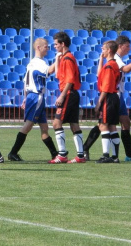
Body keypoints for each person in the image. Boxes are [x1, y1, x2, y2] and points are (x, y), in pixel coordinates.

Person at [83, 35, 131, 161]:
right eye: (127, 46)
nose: (129, 49)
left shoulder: (114, 60)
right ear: (120, 46)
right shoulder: (115, 60)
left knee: (114, 123)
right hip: (114, 94)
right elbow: (125, 69)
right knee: (105, 124)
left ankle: (120, 155)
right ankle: (90, 149)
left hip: (116, 95)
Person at [7, 38, 60, 161]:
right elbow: (50, 71)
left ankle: (55, 154)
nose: (48, 48)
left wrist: (25, 98)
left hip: (32, 96)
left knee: (44, 128)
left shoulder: (32, 63)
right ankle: (13, 153)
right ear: (38, 47)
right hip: (36, 96)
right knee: (28, 125)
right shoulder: (38, 63)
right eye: (46, 46)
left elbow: (25, 82)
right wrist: (58, 58)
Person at [49, 31, 85, 164]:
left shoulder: (68, 58)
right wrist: (57, 59)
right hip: (73, 93)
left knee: (56, 123)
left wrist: (62, 96)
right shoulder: (65, 58)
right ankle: (80, 156)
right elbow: (59, 75)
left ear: (62, 44)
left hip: (69, 93)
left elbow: (69, 80)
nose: (54, 46)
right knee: (74, 124)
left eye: (56, 44)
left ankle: (62, 154)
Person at [93, 40, 121, 163]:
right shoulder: (110, 64)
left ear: (109, 50)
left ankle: (106, 155)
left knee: (103, 125)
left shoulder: (110, 66)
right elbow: (100, 75)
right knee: (112, 126)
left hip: (108, 97)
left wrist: (99, 101)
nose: (102, 51)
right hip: (113, 96)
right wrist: (101, 59)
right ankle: (115, 156)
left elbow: (107, 86)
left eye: (103, 49)